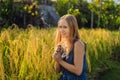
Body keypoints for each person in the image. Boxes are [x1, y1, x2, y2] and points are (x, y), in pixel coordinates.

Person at [53, 14, 88, 80]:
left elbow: (78, 71)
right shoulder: (61, 44)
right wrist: (57, 58)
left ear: (72, 28)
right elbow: (57, 71)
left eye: (65, 27)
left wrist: (60, 60)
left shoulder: (78, 44)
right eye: (60, 27)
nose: (61, 30)